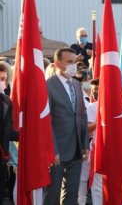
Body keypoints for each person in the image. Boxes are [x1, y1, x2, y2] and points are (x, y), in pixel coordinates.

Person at [44, 48, 90, 205]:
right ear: (57, 64)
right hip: (57, 151)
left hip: (77, 148)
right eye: (69, 62)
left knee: (71, 192)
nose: (74, 66)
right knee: (52, 192)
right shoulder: (48, 86)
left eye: (75, 62)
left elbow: (82, 116)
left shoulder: (77, 84)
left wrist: (85, 145)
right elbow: (47, 121)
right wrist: (53, 150)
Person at [0, 63, 17, 203]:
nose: (2, 83)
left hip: (2, 156)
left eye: (4, 79)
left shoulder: (6, 101)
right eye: (0, 79)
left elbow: (9, 131)